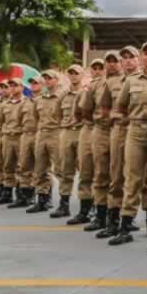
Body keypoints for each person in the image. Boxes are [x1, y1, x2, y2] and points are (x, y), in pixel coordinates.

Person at [108, 41, 147, 246]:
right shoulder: (131, 81)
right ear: (141, 57)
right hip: (135, 132)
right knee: (132, 179)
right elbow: (120, 106)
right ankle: (125, 226)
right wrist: (130, 119)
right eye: (146, 53)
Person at [98, 46, 147, 239]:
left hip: (142, 131)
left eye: (132, 57)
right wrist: (115, 119)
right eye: (124, 57)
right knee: (116, 176)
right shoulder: (112, 82)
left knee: (146, 178)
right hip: (120, 130)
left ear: (138, 59)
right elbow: (104, 107)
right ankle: (114, 221)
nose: (128, 60)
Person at [81, 52, 122, 233]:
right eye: (109, 61)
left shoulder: (126, 81)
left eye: (115, 61)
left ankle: (116, 217)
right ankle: (100, 216)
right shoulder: (95, 85)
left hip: (119, 130)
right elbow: (85, 110)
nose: (112, 64)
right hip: (101, 131)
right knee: (100, 174)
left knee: (118, 176)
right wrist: (99, 121)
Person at [68, 59, 106, 225]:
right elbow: (77, 112)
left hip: (105, 130)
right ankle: (85, 210)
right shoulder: (85, 89)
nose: (97, 71)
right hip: (88, 130)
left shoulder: (112, 85)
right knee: (85, 170)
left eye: (100, 68)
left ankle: (102, 211)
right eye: (94, 68)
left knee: (103, 172)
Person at [52, 64, 84, 219]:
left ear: (82, 75)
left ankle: (87, 205)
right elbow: (57, 114)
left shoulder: (87, 93)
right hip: (66, 133)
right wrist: (65, 126)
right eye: (71, 73)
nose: (73, 76)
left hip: (82, 132)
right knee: (65, 169)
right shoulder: (63, 95)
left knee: (86, 170)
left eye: (76, 73)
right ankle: (64, 204)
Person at [28, 71, 62, 213]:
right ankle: (43, 199)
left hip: (56, 133)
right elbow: (36, 117)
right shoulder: (39, 99)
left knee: (60, 169)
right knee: (40, 168)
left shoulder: (62, 96)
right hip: (42, 134)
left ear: (56, 80)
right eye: (45, 78)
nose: (47, 80)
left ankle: (64, 202)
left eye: (50, 78)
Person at [9, 76, 42, 209]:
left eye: (36, 83)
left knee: (41, 167)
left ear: (42, 85)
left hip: (39, 134)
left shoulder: (45, 100)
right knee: (24, 165)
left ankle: (43, 198)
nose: (33, 85)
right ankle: (24, 196)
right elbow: (17, 119)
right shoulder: (25, 102)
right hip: (25, 135)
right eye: (32, 83)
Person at [0, 78, 24, 205]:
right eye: (11, 85)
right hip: (7, 138)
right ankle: (7, 193)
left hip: (20, 137)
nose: (13, 87)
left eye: (16, 85)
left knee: (22, 166)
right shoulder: (5, 104)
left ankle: (22, 194)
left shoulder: (26, 102)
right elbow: (0, 121)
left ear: (22, 88)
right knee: (7, 165)